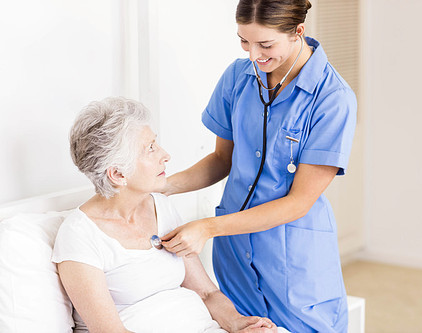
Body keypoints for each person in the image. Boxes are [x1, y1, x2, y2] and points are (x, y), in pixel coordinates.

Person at [160, 0, 357, 332]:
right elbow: (222, 160)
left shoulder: (332, 98)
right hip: (235, 253)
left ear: (298, 32)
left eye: (266, 44)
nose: (254, 55)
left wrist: (207, 228)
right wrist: (160, 186)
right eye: (244, 41)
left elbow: (299, 202)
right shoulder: (238, 77)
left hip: (294, 261)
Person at [51, 97, 279, 333]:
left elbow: (207, 293)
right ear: (118, 174)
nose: (166, 155)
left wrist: (239, 323)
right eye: (150, 148)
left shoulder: (160, 207)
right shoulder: (79, 236)